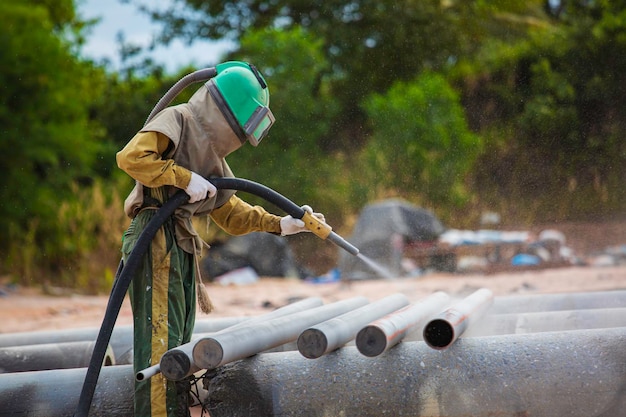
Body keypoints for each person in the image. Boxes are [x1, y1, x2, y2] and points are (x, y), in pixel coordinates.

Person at [116, 61, 324, 417]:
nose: (242, 137)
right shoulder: (178, 119)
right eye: (242, 126)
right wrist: (182, 178)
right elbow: (132, 157)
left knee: (177, 349)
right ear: (223, 109)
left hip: (179, 244)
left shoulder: (213, 156)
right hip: (155, 238)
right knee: (159, 344)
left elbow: (230, 211)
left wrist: (281, 224)